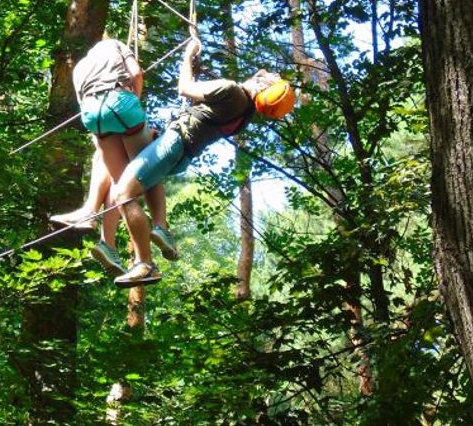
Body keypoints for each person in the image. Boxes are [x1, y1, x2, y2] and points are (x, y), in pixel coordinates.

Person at [103, 36, 295, 287]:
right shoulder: (244, 113)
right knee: (143, 171)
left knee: (123, 194)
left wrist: (187, 54)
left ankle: (145, 264)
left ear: (260, 85)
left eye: (264, 74)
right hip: (181, 154)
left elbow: (184, 87)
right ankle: (162, 229)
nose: (260, 73)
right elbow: (202, 108)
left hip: (174, 144)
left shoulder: (231, 90)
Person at [47, 37, 173, 275]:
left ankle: (107, 241)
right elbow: (136, 74)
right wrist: (133, 103)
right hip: (119, 102)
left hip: (92, 114)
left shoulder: (81, 66)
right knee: (147, 171)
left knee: (121, 189)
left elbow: (84, 102)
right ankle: (159, 228)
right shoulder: (115, 45)